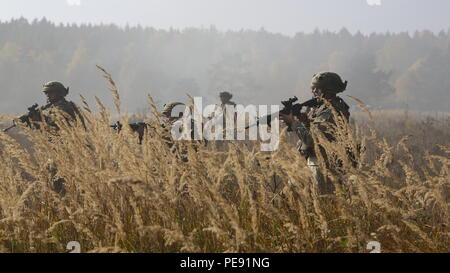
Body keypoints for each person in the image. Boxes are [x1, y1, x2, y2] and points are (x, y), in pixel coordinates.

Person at [280, 72, 350, 195]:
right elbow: (315, 130)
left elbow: (312, 140)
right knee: (287, 196)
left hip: (322, 164)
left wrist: (293, 123)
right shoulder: (321, 108)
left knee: (321, 201)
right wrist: (305, 121)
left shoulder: (331, 111)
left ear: (328, 90)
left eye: (317, 88)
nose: (313, 91)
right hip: (310, 160)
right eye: (313, 88)